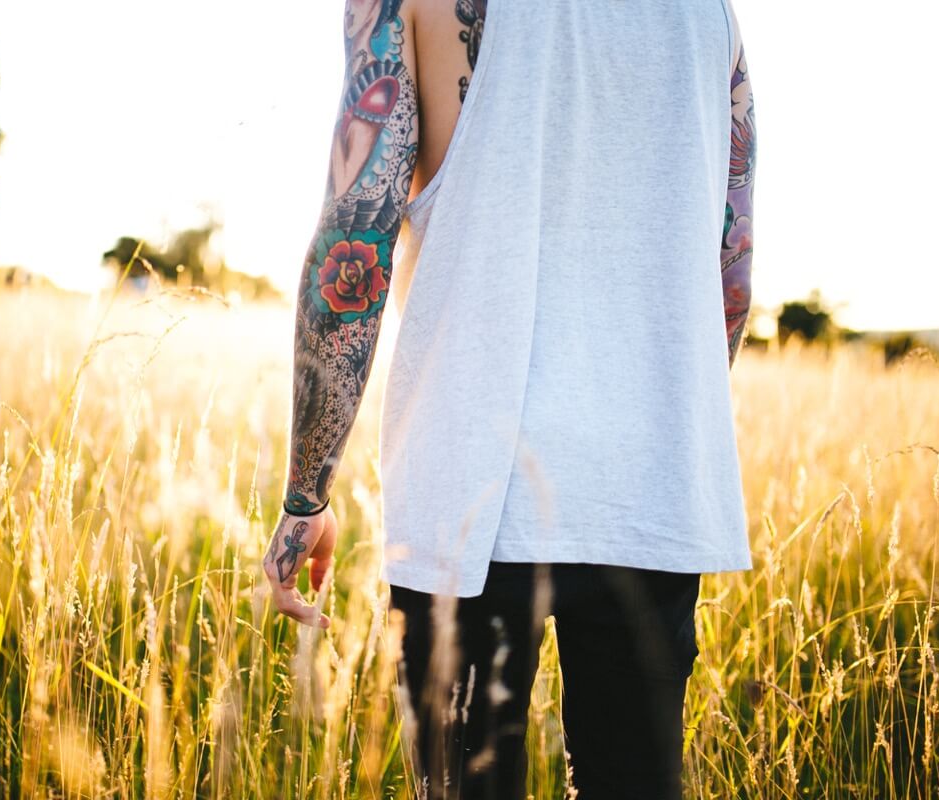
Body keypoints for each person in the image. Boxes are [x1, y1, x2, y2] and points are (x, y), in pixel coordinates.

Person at [263, 0, 756, 797]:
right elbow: (731, 272)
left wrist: (305, 495)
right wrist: (650, 411)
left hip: (468, 485)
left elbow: (356, 234)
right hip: (650, 491)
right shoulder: (712, 15)